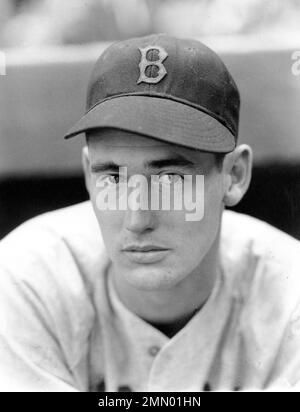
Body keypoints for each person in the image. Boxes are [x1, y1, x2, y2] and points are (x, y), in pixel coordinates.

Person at [0, 34, 300, 392]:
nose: (137, 220)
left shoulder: (289, 293)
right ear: (87, 173)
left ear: (234, 176)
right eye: (112, 176)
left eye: (170, 178)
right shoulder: (25, 279)